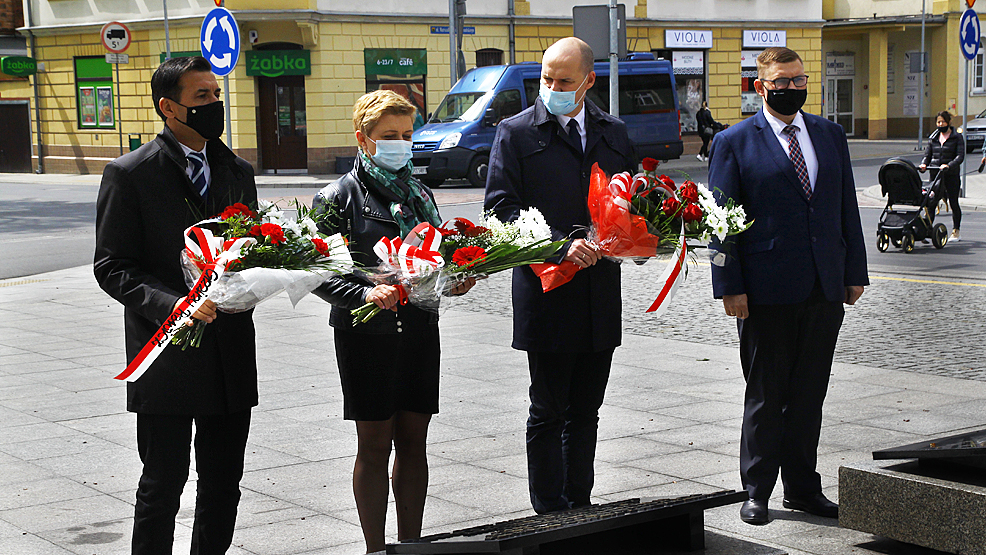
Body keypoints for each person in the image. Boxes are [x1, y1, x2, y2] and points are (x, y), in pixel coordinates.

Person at [94, 56, 258, 554]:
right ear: (169, 108)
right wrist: (174, 304)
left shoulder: (236, 170)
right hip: (166, 353)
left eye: (215, 93)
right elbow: (112, 265)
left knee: (223, 486)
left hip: (230, 352)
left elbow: (252, 246)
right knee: (163, 484)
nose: (214, 104)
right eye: (201, 97)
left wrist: (260, 279)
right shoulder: (131, 173)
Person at [708, 47, 868, 526]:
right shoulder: (734, 142)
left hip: (823, 286)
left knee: (808, 394)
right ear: (761, 86)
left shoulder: (829, 134)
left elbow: (845, 207)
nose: (792, 88)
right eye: (782, 81)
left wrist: (854, 271)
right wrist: (727, 285)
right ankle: (757, 490)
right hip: (764, 290)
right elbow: (719, 223)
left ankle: (802, 488)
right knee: (765, 395)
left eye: (799, 80)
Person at [311, 90, 474, 554]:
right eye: (389, 136)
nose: (400, 144)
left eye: (406, 135)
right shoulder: (338, 196)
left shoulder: (421, 194)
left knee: (415, 442)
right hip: (367, 335)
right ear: (363, 140)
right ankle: (375, 549)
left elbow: (434, 260)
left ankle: (411, 544)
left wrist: (454, 279)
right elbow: (316, 270)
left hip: (420, 329)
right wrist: (365, 292)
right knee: (375, 443)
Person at [485, 37, 637, 514]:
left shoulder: (613, 131)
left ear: (588, 81)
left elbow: (633, 197)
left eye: (564, 81)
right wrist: (559, 243)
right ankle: (549, 510)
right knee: (548, 411)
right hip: (547, 291)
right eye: (546, 79)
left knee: (586, 411)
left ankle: (581, 502)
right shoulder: (515, 132)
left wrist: (642, 236)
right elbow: (500, 209)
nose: (551, 88)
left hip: (597, 293)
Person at [921, 110, 964, 242]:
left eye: (943, 122)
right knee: (931, 203)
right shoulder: (933, 138)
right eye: (938, 122)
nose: (940, 124)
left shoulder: (957, 137)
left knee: (953, 202)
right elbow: (927, 155)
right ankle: (926, 229)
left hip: (950, 174)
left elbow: (960, 156)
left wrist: (949, 165)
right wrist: (923, 164)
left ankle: (956, 231)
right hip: (935, 174)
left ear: (949, 122)